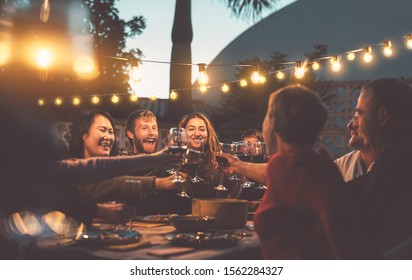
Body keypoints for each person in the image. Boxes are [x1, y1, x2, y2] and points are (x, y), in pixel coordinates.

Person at [224, 85, 361, 259]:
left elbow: (342, 229)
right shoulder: (313, 161)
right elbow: (273, 174)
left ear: (272, 120)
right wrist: (238, 165)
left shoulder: (300, 169)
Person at [347, 77, 412, 258]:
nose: (354, 123)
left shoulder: (403, 163)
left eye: (360, 114)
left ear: (382, 116)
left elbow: (373, 230)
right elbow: (356, 188)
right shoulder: (392, 156)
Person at [178, 112, 230, 198]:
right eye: (191, 129)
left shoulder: (217, 161)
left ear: (208, 133)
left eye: (202, 129)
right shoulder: (174, 161)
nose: (197, 134)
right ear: (183, 132)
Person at [335, 117, 376, 182]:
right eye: (353, 119)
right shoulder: (339, 167)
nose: (349, 126)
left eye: (358, 118)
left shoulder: (395, 171)